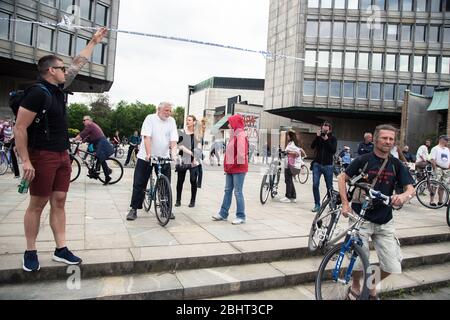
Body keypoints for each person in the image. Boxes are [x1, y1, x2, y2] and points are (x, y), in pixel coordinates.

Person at [14, 27, 107, 272]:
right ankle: (30, 250)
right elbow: (20, 128)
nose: (67, 71)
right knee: (38, 203)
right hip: (41, 154)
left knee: (60, 200)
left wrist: (94, 41)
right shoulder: (37, 93)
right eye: (62, 68)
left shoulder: (59, 90)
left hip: (62, 154)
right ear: (51, 71)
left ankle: (61, 248)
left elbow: (78, 62)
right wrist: (26, 161)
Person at [338, 124, 415, 300]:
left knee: (392, 265)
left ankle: (371, 283)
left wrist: (403, 196)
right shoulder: (363, 159)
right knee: (358, 261)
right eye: (384, 138)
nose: (388, 141)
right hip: (361, 218)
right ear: (375, 139)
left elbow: (410, 189)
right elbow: (342, 178)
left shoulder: (396, 164)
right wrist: (345, 203)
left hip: (385, 220)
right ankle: (356, 286)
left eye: (391, 139)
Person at [126, 102, 178, 221]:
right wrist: (149, 154)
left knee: (165, 183)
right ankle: (134, 209)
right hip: (146, 156)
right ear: (158, 110)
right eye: (166, 110)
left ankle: (165, 208)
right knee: (139, 182)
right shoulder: (150, 119)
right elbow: (147, 137)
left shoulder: (171, 121)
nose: (168, 113)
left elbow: (173, 140)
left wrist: (174, 155)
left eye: (170, 111)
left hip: (163, 156)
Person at [212, 114, 249, 225]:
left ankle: (241, 216)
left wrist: (231, 165)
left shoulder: (241, 134)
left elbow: (241, 155)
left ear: (235, 123)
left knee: (238, 192)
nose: (228, 124)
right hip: (231, 169)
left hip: (238, 169)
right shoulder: (234, 135)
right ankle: (223, 214)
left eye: (230, 122)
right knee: (228, 191)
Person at [74, 116, 114, 184]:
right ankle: (95, 174)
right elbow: (89, 136)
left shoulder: (90, 125)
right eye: (82, 120)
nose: (83, 122)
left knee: (101, 158)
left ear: (89, 120)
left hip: (101, 142)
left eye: (84, 120)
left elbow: (83, 134)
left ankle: (107, 176)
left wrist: (74, 139)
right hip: (98, 143)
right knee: (98, 158)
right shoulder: (91, 126)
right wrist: (82, 141)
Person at [175, 115, 202, 208]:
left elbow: (199, 148)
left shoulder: (197, 134)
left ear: (194, 122)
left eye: (189, 120)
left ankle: (192, 201)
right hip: (183, 159)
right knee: (180, 180)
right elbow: (178, 146)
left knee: (193, 180)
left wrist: (195, 158)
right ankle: (178, 200)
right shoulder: (181, 133)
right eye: (187, 120)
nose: (187, 121)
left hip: (194, 159)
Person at [310, 122, 337, 212]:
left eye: (326, 130)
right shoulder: (319, 137)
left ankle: (331, 204)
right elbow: (312, 146)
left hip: (328, 165)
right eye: (323, 129)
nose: (324, 131)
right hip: (317, 164)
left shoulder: (333, 138)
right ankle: (317, 204)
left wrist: (326, 140)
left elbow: (333, 150)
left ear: (330, 130)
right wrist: (317, 137)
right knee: (315, 184)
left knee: (329, 186)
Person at [279, 131, 301, 203]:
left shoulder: (293, 144)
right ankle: (293, 196)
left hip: (291, 165)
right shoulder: (291, 143)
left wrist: (287, 152)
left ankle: (288, 197)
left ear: (291, 136)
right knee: (289, 180)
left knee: (288, 180)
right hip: (289, 164)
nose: (287, 137)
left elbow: (297, 153)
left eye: (288, 135)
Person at [429, 135, 450, 207]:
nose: (447, 141)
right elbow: (432, 159)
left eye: (448, 140)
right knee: (434, 185)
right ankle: (432, 201)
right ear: (441, 139)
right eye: (446, 139)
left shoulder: (447, 149)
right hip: (438, 168)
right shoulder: (435, 148)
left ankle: (440, 201)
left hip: (446, 170)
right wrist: (435, 169)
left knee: (443, 186)